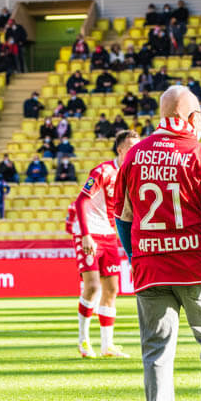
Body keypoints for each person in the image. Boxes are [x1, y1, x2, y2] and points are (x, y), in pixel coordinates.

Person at [114, 85, 201, 401]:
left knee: (155, 348)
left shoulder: (133, 156)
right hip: (195, 265)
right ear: (189, 116)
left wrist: (136, 257)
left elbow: (122, 219)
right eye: (200, 114)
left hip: (150, 267)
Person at [67, 129, 140, 359]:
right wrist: (85, 235)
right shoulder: (103, 171)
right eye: (131, 147)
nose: (135, 151)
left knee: (112, 289)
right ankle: (83, 341)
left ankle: (107, 345)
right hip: (89, 232)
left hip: (109, 234)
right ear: (120, 149)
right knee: (92, 287)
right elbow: (81, 201)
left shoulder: (133, 175)